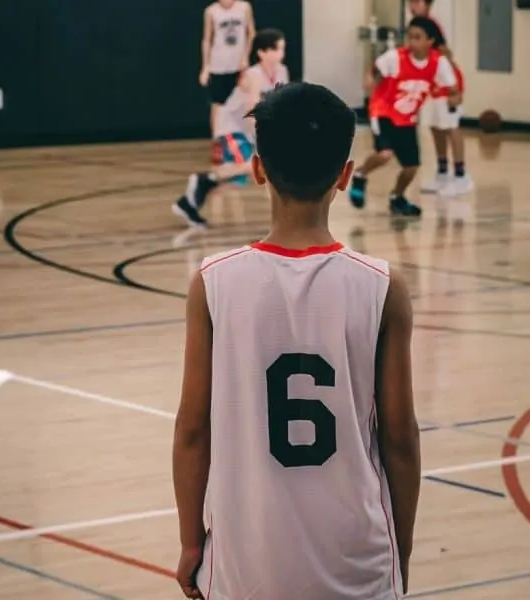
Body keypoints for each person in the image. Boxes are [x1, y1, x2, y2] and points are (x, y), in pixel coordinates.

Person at [173, 82, 421, 600]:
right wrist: (403, 549)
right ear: (345, 174)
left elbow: (193, 432)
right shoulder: (383, 286)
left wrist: (191, 544)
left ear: (259, 169)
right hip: (358, 565)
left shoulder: (213, 282)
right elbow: (400, 439)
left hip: (246, 567)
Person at [173, 28, 289, 228]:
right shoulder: (253, 75)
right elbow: (251, 110)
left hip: (248, 130)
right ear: (262, 53)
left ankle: (189, 201)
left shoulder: (282, 72)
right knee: (255, 165)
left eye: (282, 49)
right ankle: (203, 180)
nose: (281, 54)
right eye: (277, 49)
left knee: (237, 179)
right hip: (231, 126)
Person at [349, 16, 460, 217]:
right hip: (383, 111)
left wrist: (454, 98)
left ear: (430, 41)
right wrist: (369, 81)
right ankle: (360, 174)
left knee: (411, 167)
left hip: (407, 118)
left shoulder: (439, 63)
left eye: (418, 37)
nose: (412, 42)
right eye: (410, 37)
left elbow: (453, 89)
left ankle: (397, 197)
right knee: (385, 154)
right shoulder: (395, 57)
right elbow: (372, 69)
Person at [408, 0, 473, 196]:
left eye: (416, 2)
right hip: (432, 84)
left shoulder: (431, 26)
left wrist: (455, 90)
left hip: (447, 82)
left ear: (427, 4)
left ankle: (461, 175)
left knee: (451, 126)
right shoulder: (416, 26)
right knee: (436, 126)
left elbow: (446, 54)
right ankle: (442, 172)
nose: (412, 6)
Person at [199, 0, 256, 159]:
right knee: (218, 105)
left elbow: (251, 32)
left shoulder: (244, 7)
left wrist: (246, 56)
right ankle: (217, 143)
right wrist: (206, 66)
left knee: (243, 102)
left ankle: (244, 142)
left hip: (239, 65)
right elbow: (207, 39)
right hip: (218, 65)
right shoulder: (211, 11)